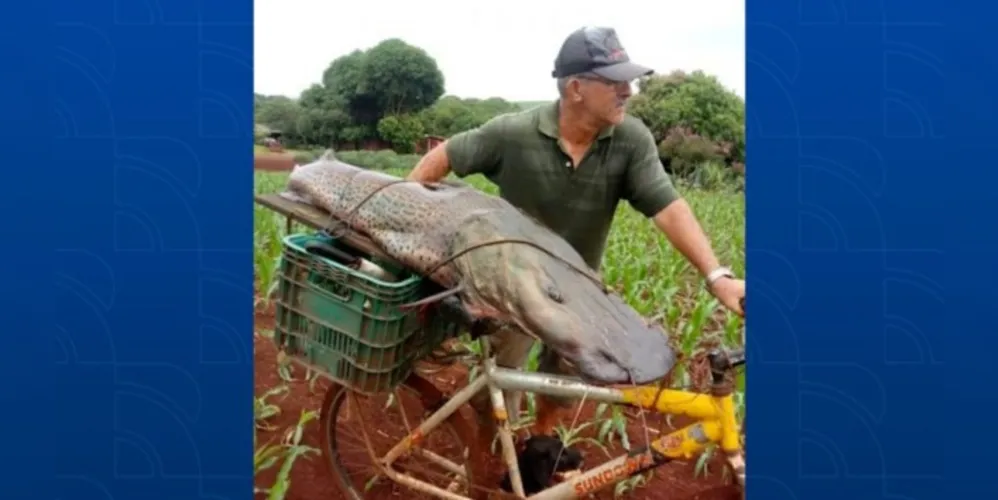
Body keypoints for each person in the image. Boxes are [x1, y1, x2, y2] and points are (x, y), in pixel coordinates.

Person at [407, 26, 745, 453]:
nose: (629, 90)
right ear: (576, 87)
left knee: (564, 381)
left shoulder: (629, 140)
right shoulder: (513, 133)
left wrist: (717, 276)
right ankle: (496, 453)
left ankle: (543, 443)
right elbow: (443, 157)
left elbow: (669, 207)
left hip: (579, 292)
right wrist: (409, 216)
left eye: (630, 79)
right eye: (616, 81)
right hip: (513, 287)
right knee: (503, 375)